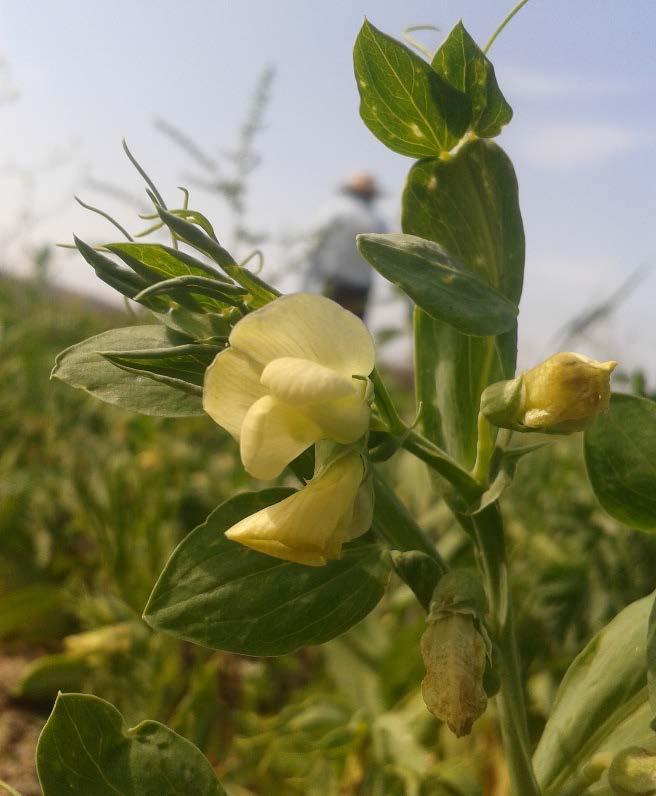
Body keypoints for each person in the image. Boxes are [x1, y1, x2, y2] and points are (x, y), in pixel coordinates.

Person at [302, 171, 387, 319]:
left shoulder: (333, 212)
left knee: (322, 331)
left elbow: (313, 246)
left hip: (333, 284)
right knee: (352, 336)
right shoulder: (377, 220)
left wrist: (307, 285)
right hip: (361, 289)